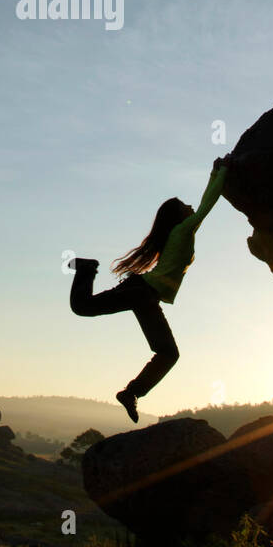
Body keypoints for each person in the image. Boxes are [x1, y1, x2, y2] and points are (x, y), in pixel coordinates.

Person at [69, 155, 230, 423]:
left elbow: (202, 204)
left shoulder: (180, 232)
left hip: (144, 294)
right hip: (142, 293)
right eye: (184, 205)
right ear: (179, 216)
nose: (190, 206)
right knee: (167, 352)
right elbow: (207, 205)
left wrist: (215, 174)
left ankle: (130, 393)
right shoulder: (182, 231)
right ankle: (86, 269)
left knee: (165, 351)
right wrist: (222, 172)